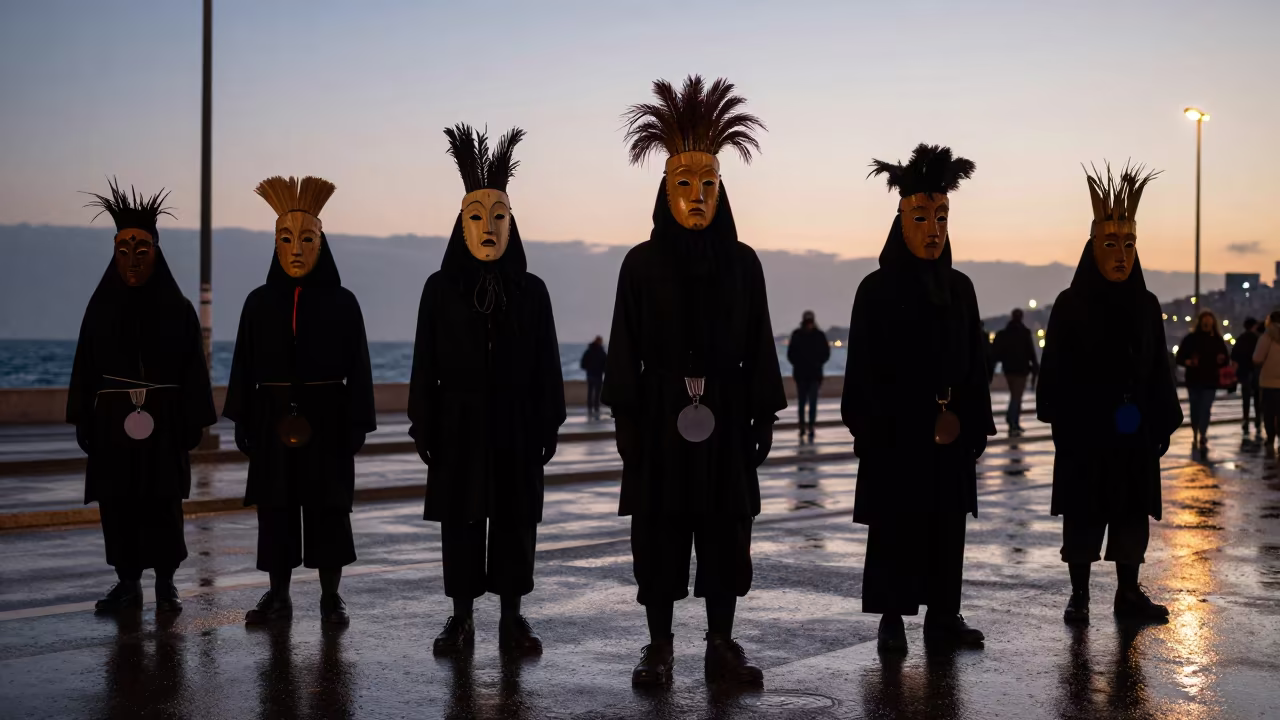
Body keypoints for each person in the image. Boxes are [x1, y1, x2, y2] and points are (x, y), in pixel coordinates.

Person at [606, 75, 785, 687]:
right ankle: (658, 646)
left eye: (709, 183)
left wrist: (764, 415)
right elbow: (624, 349)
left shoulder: (744, 263)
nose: (698, 195)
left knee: (725, 533)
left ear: (722, 190)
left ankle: (720, 644)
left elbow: (760, 340)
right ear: (665, 190)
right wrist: (627, 421)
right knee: (658, 534)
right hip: (659, 418)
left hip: (728, 415)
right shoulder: (640, 263)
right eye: (685, 183)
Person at [409, 125, 566, 657]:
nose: (489, 228)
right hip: (458, 423)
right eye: (476, 217)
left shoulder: (533, 289)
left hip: (518, 423)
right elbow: (423, 362)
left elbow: (548, 361)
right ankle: (461, 618)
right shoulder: (439, 287)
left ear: (511, 223)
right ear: (461, 225)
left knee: (515, 523)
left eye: (499, 216)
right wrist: (423, 423)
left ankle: (513, 618)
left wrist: (549, 421)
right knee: (461, 522)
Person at [842, 143, 994, 653]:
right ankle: (892, 617)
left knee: (947, 529)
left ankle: (942, 617)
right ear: (901, 221)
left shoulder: (962, 288)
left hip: (947, 430)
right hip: (894, 431)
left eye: (942, 217)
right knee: (894, 527)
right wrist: (868, 428)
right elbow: (859, 368)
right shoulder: (875, 289)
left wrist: (974, 426)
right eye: (922, 216)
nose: (933, 229)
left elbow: (975, 362)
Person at [224, 176, 376, 627]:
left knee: (329, 510)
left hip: (328, 420)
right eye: (285, 239)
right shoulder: (257, 303)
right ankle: (279, 597)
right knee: (276, 510)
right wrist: (242, 417)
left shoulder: (344, 303)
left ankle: (332, 598)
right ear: (274, 245)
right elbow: (243, 365)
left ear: (321, 244)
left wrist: (356, 423)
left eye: (306, 239)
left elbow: (361, 368)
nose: (295, 249)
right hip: (271, 418)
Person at [1038, 161, 1181, 625]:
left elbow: (1160, 366)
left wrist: (1161, 419)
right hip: (1085, 430)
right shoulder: (1070, 303)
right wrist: (1063, 420)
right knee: (1082, 513)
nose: (1121, 255)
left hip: (1133, 430)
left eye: (1129, 244)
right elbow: (1054, 368)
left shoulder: (1147, 303)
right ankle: (1079, 595)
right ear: (1093, 248)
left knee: (1130, 513)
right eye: (1111, 244)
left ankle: (1127, 592)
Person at [68, 178, 217, 615]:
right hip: (112, 426)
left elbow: (194, 368)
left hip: (164, 426)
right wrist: (82, 417)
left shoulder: (179, 308)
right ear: (114, 254)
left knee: (163, 502)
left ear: (156, 251)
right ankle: (128, 583)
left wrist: (192, 420)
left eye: (141, 249)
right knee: (118, 505)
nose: (132, 259)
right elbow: (84, 366)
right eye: (123, 250)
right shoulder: (100, 307)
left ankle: (166, 585)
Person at [1176, 310, 1229, 456]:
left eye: (1209, 320)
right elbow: (1179, 358)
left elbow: (1225, 358)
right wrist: (1188, 362)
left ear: (1213, 322)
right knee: (1195, 407)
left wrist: (1221, 360)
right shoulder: (1191, 339)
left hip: (1210, 379)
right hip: (1194, 379)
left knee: (1205, 407)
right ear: (1200, 322)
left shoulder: (1217, 340)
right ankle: (1195, 432)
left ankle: (1203, 433)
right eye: (1204, 320)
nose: (1207, 322)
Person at [991, 309, 1039, 435]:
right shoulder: (1025, 333)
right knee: (1016, 397)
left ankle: (1013, 421)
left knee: (1014, 395)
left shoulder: (1004, 334)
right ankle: (1013, 421)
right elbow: (1031, 352)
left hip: (1008, 369)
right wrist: (1035, 366)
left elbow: (996, 352)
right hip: (1021, 370)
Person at [787, 310, 830, 442]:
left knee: (811, 402)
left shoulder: (818, 335)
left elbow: (826, 354)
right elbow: (791, 354)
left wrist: (817, 364)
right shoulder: (798, 335)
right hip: (803, 375)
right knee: (802, 403)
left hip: (813, 375)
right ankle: (802, 426)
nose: (809, 325)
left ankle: (810, 425)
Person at [1252, 311, 1280, 457]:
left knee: (1269, 413)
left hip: (1268, 382)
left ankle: (1270, 439)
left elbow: (1257, 358)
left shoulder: (1266, 337)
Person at [1232, 317, 1262, 446]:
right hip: (1256, 372)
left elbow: (1234, 355)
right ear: (1254, 326)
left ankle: (1245, 419)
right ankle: (1258, 420)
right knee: (1257, 398)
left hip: (1244, 373)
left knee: (1246, 399)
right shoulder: (1258, 338)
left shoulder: (1241, 339)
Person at [580, 337, 608, 419]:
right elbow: (606, 364)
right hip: (597, 375)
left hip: (590, 374)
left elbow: (583, 363)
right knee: (597, 392)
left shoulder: (588, 351)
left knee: (590, 391)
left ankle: (590, 407)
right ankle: (596, 407)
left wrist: (588, 368)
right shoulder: (602, 352)